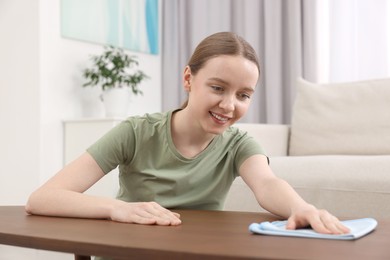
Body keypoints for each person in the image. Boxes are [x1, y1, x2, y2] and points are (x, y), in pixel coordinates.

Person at [26, 32, 349, 236]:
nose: (229, 105)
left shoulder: (238, 144)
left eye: (243, 95)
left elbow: (267, 184)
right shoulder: (135, 132)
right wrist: (117, 208)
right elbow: (42, 198)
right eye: (218, 87)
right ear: (188, 79)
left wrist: (300, 208)